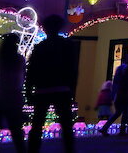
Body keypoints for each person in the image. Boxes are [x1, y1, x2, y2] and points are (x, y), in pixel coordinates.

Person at [24, 14, 79, 153]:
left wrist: (29, 89)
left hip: (43, 89)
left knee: (37, 124)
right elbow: (73, 68)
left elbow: (32, 69)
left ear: (46, 29)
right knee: (66, 125)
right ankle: (69, 149)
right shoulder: (68, 45)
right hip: (62, 88)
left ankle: (33, 150)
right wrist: (72, 89)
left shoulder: (40, 47)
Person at [0, 35, 27, 153]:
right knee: (16, 131)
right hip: (15, 97)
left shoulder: (0, 60)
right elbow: (21, 78)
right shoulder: (20, 60)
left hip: (0, 96)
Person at [100, 61, 128, 136]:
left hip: (117, 95)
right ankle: (122, 130)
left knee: (118, 112)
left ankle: (105, 128)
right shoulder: (126, 70)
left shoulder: (119, 71)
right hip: (123, 94)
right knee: (125, 112)